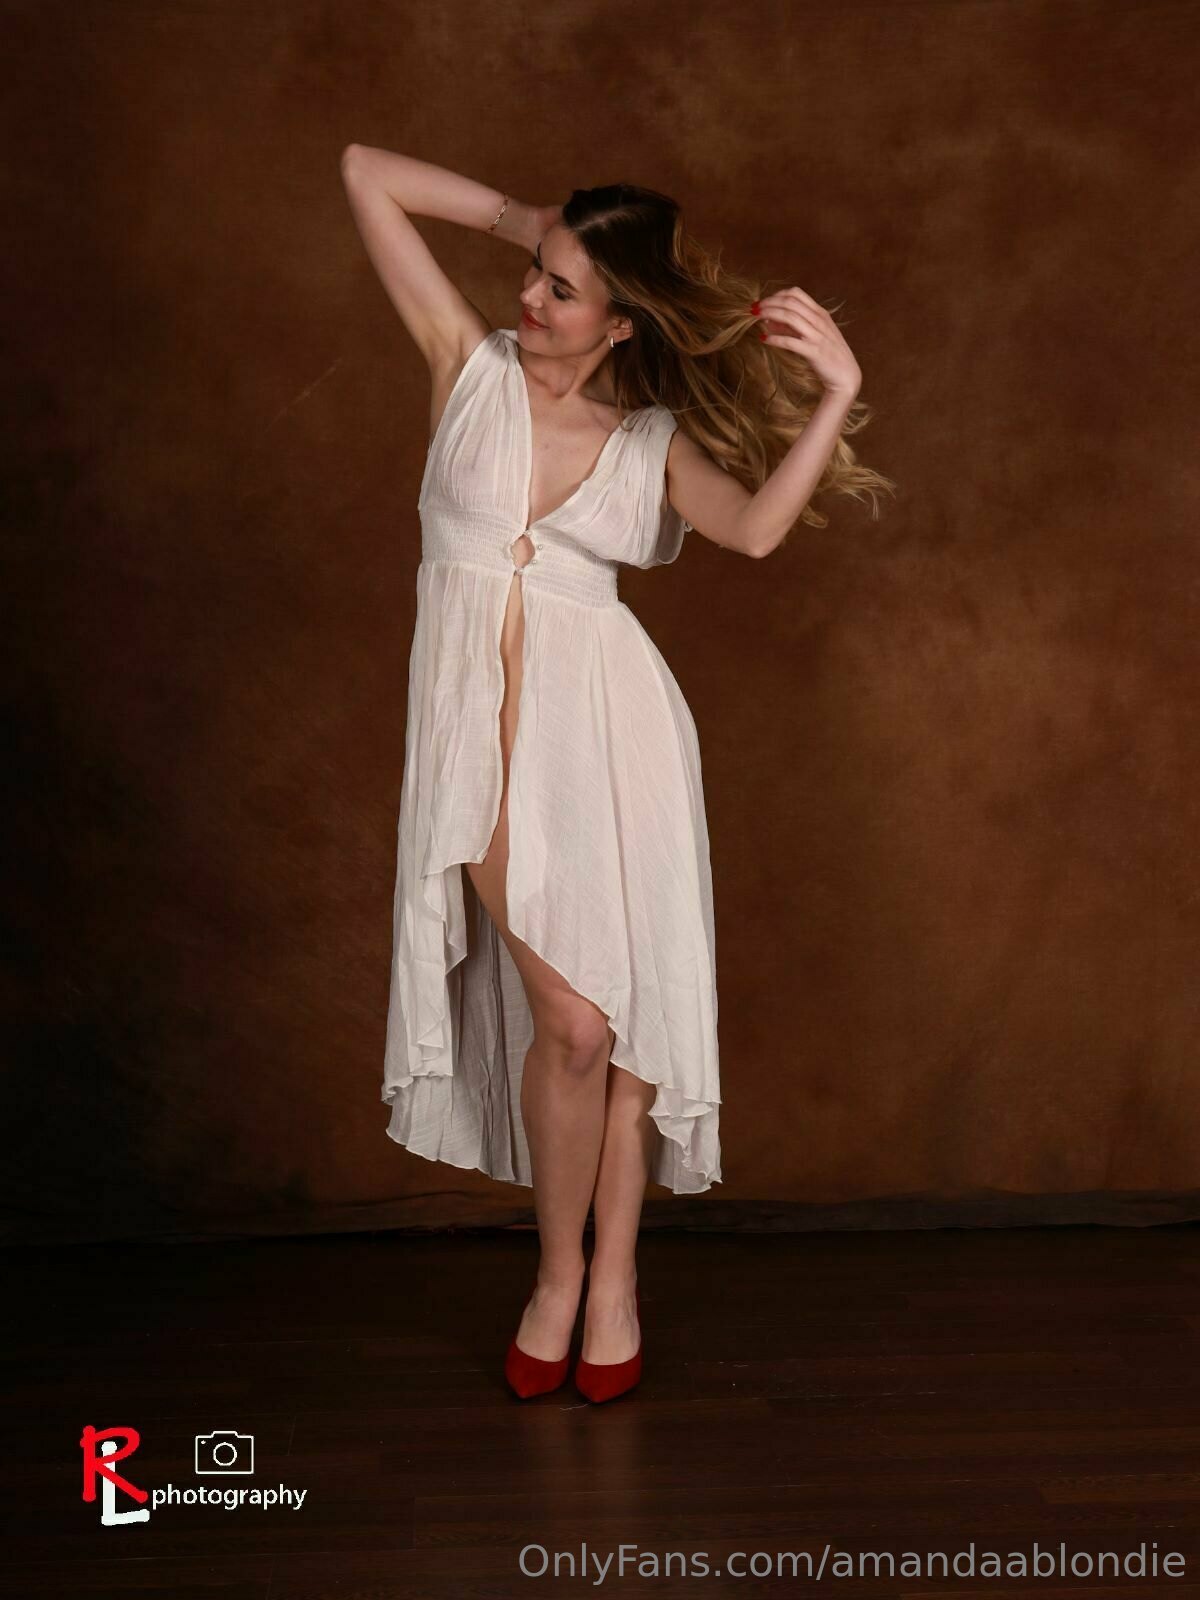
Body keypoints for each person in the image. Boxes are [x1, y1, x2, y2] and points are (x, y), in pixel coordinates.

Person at [340, 149, 890, 1402]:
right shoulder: (467, 368)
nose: (530, 298)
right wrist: (529, 218)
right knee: (577, 1023)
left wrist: (839, 393)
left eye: (563, 288)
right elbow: (365, 173)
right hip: (481, 752)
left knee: (625, 1040)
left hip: (619, 742)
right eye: (537, 274)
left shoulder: (649, 443)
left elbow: (755, 530)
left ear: (623, 320)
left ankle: (613, 1285)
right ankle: (554, 1273)